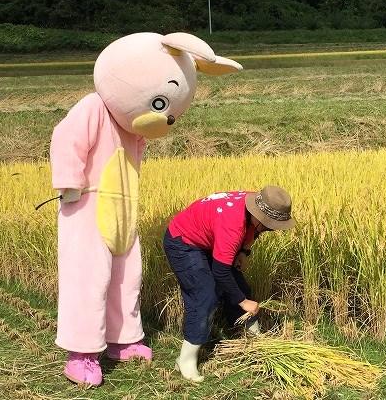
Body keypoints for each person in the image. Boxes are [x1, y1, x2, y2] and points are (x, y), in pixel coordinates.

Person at [49, 32, 242, 387]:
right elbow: (66, 138)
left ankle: (122, 340)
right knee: (88, 280)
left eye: (172, 112)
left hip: (124, 213)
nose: (167, 119)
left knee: (126, 277)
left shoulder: (132, 132)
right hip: (87, 207)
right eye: (160, 105)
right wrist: (69, 182)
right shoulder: (93, 107)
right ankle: (81, 353)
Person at [163, 185, 296, 382]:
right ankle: (185, 359)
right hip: (184, 242)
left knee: (240, 287)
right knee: (204, 297)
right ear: (258, 216)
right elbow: (221, 272)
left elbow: (253, 230)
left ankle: (254, 341)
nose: (270, 229)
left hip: (210, 239)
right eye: (268, 225)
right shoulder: (232, 224)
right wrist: (243, 302)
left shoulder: (257, 203)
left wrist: (244, 252)